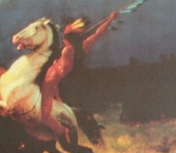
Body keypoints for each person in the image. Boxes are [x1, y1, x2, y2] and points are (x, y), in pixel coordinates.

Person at [40, 12, 118, 141]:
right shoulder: (85, 45)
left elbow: (60, 70)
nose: (63, 38)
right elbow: (98, 33)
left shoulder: (67, 50)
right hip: (75, 79)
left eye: (65, 36)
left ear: (67, 39)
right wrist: (110, 19)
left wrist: (53, 63)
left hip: (63, 82)